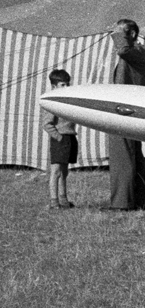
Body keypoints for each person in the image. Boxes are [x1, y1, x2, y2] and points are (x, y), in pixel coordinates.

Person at [105, 19, 145, 210]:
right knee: (133, 156)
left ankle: (122, 203)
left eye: (121, 33)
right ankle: (136, 201)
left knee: (122, 156)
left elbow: (123, 50)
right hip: (129, 109)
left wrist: (116, 33)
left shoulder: (137, 52)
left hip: (125, 111)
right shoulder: (136, 54)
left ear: (131, 34)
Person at [41, 68, 77, 209]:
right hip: (60, 139)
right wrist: (59, 137)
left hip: (70, 137)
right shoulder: (52, 101)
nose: (67, 87)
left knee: (64, 172)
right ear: (54, 86)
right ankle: (53, 201)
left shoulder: (67, 100)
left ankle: (63, 200)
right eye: (63, 85)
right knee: (55, 171)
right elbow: (46, 123)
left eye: (68, 84)